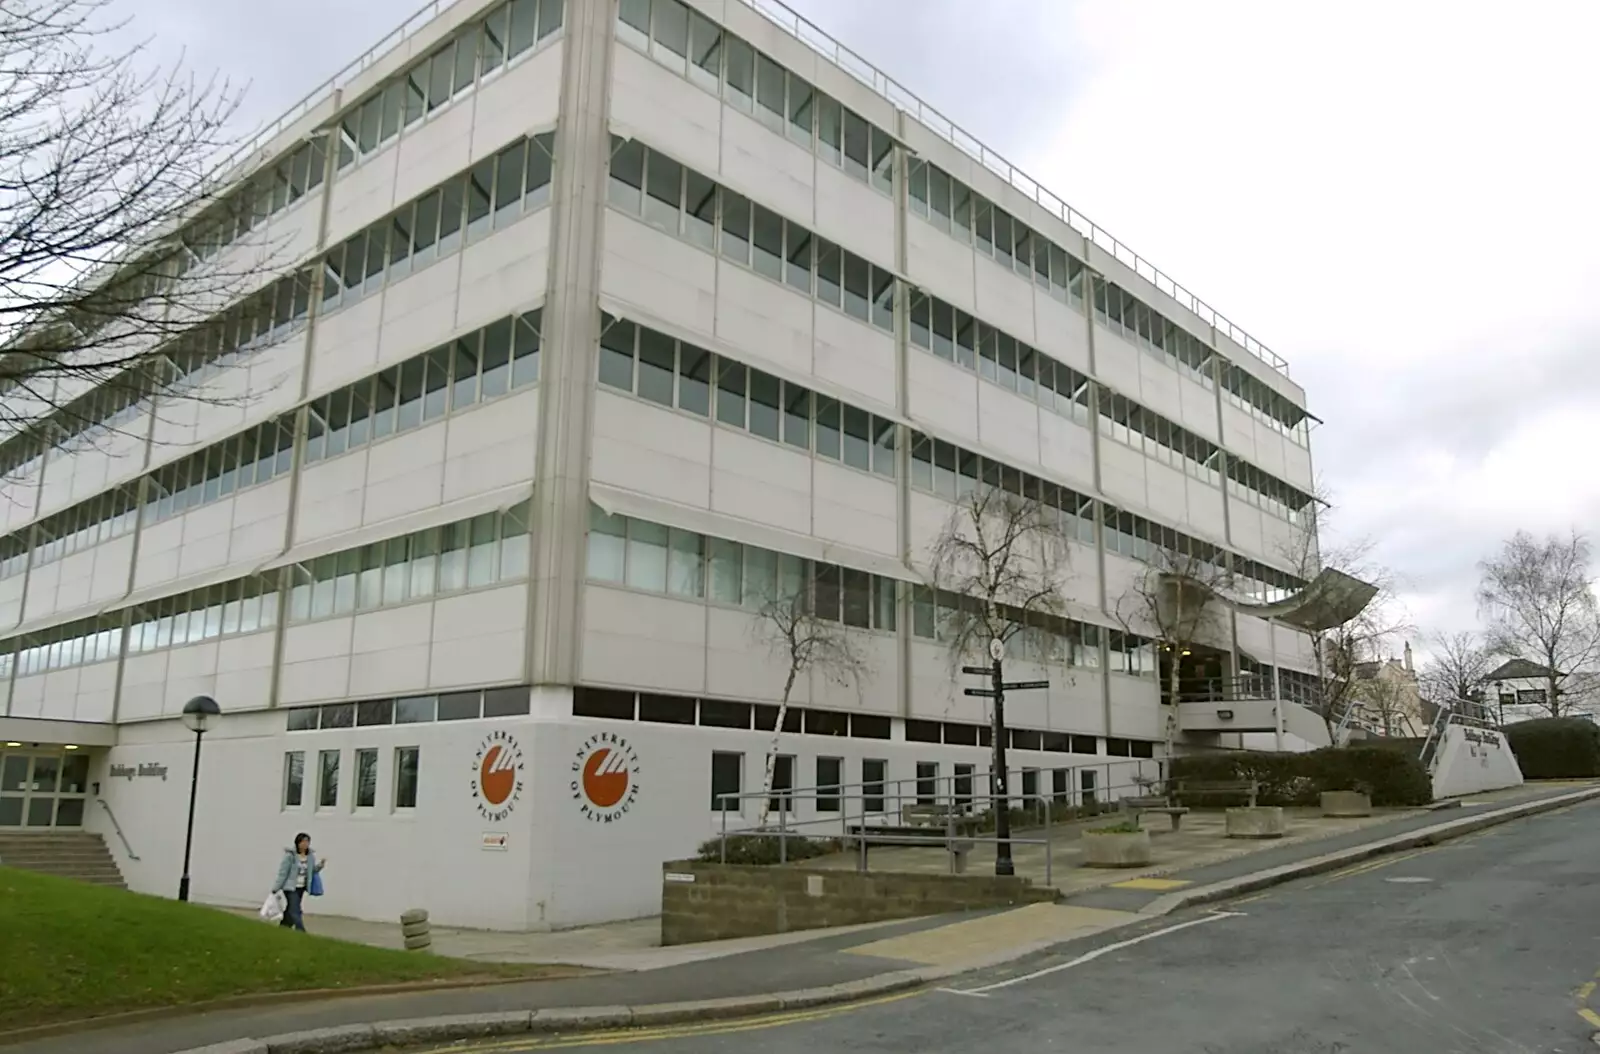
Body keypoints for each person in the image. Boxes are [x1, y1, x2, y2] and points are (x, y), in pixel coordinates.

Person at [271, 833, 327, 932]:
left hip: (301, 887)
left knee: (291, 909)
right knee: (295, 909)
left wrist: (320, 866)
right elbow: (283, 872)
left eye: (307, 842)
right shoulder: (290, 856)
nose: (305, 844)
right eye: (303, 842)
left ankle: (284, 927)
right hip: (290, 887)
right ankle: (300, 929)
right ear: (298, 843)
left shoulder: (310, 856)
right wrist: (276, 887)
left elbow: (311, 871)